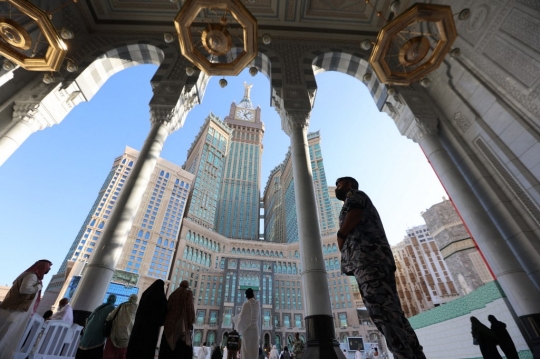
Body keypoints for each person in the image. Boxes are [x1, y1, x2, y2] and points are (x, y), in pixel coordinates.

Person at [335, 177, 426, 359]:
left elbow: (355, 212)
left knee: (383, 314)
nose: (338, 187)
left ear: (349, 185)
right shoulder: (358, 197)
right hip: (375, 261)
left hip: (369, 262)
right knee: (395, 314)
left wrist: (341, 233)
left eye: (340, 184)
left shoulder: (355, 195)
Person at [0, 259, 52, 359]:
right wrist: (39, 287)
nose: (48, 269)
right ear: (42, 267)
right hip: (15, 311)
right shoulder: (32, 276)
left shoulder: (34, 277)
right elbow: (24, 289)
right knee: (6, 335)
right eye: (48, 267)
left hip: (18, 311)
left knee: (9, 336)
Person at [127, 280, 167, 359]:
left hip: (139, 326)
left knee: (135, 349)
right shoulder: (161, 298)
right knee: (146, 350)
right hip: (151, 330)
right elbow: (163, 316)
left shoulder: (145, 294)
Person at [159, 280, 195, 359]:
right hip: (181, 326)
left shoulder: (173, 293)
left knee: (168, 349)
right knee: (180, 350)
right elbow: (190, 309)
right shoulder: (188, 293)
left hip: (169, 324)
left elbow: (168, 307)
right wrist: (191, 321)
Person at [76, 294, 117, 359]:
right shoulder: (112, 308)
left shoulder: (100, 306)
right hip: (97, 333)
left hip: (88, 331)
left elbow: (89, 318)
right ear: (115, 300)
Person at [103, 294, 138, 359]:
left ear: (129, 298)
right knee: (122, 355)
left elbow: (110, 316)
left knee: (110, 353)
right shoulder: (137, 308)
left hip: (115, 332)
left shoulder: (122, 305)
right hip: (126, 336)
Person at [233, 288, 260, 359]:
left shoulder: (246, 304)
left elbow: (242, 318)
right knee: (254, 351)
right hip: (255, 332)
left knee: (246, 351)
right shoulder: (257, 303)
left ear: (247, 296)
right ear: (253, 294)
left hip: (248, 331)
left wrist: (236, 323)